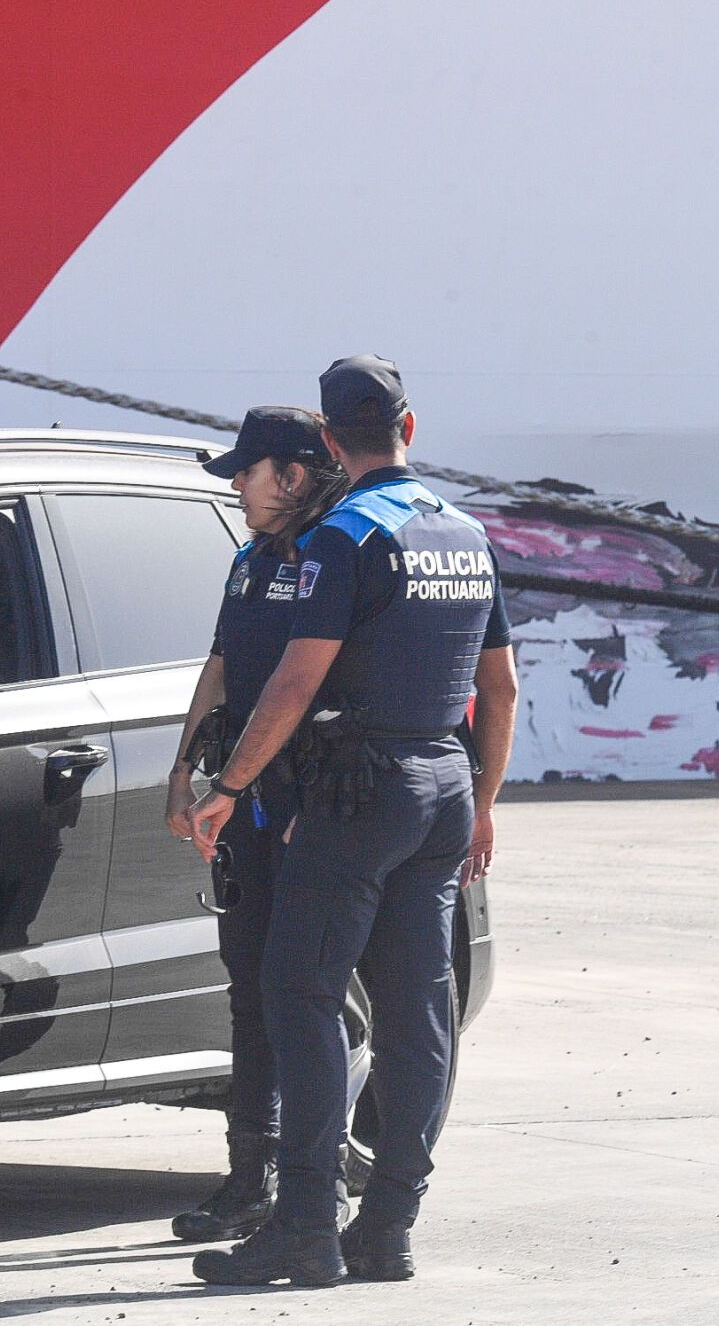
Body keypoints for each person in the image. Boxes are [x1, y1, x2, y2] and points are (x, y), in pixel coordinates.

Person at [186, 355, 519, 1287]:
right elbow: (500, 687)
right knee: (418, 1012)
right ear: (409, 428)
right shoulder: (465, 532)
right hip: (444, 784)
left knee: (300, 993)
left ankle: (303, 1227)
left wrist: (229, 783)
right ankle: (389, 1226)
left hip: (358, 791)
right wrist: (484, 802)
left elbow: (297, 681)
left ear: (331, 442)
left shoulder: (344, 535)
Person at [165, 406, 349, 1245]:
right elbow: (220, 669)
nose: (236, 485)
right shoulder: (249, 559)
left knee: (308, 993)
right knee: (251, 989)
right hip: (243, 806)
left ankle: (321, 1180)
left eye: (248, 470)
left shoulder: (336, 557)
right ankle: (250, 1178)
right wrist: (183, 772)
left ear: (295, 475)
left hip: (315, 811)